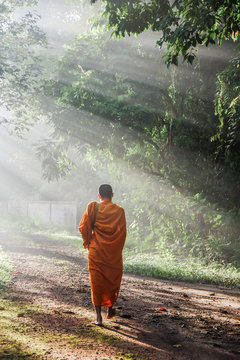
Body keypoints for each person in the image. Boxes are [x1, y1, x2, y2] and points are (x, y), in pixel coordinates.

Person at [79, 184, 126, 325]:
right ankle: (110, 310)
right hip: (112, 253)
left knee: (96, 283)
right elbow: (122, 234)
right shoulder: (119, 211)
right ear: (112, 195)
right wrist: (116, 249)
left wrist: (87, 241)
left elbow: (83, 227)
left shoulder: (93, 208)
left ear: (99, 196)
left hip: (96, 252)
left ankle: (98, 317)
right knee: (111, 279)